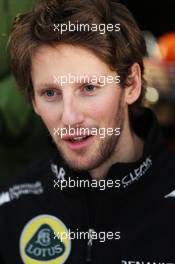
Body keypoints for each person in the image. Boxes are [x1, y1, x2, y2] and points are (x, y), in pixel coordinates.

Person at [1, 0, 175, 263]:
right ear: (33, 101)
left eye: (89, 88)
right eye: (50, 93)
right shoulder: (8, 210)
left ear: (131, 84)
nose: (70, 117)